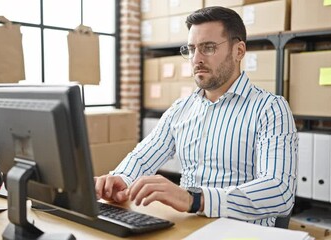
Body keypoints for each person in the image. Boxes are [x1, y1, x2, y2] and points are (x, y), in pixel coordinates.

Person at [95, 6, 298, 227]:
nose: (196, 58)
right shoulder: (181, 109)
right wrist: (121, 178)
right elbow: (143, 157)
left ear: (238, 51)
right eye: (192, 49)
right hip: (188, 226)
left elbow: (280, 192)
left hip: (242, 231)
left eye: (208, 48)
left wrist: (196, 200)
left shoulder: (270, 108)